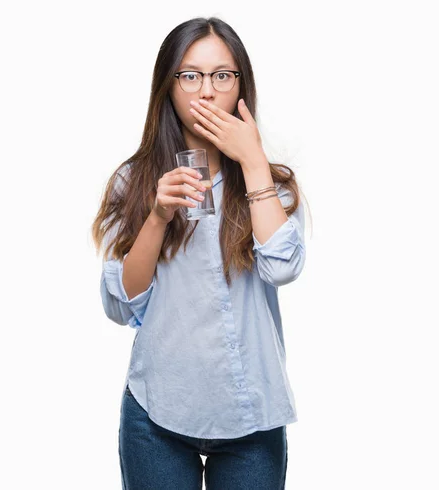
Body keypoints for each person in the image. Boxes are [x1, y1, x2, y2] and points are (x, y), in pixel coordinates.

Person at [91, 16, 307, 490]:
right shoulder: (134, 182)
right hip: (158, 414)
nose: (206, 92)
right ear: (168, 87)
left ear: (240, 86)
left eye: (221, 75)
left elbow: (282, 267)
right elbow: (121, 304)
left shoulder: (272, 183)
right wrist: (156, 217)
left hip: (252, 416)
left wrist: (251, 161)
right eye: (189, 75)